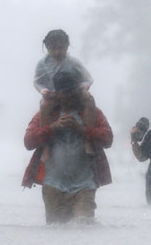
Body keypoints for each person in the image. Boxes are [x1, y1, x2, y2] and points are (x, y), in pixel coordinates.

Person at [22, 70, 113, 224]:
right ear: (57, 93)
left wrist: (82, 129)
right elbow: (28, 142)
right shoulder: (46, 114)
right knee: (55, 231)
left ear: (78, 91)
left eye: (72, 91)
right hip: (53, 185)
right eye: (64, 92)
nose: (69, 96)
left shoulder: (91, 112)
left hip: (85, 185)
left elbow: (108, 139)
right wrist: (52, 127)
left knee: (84, 227)